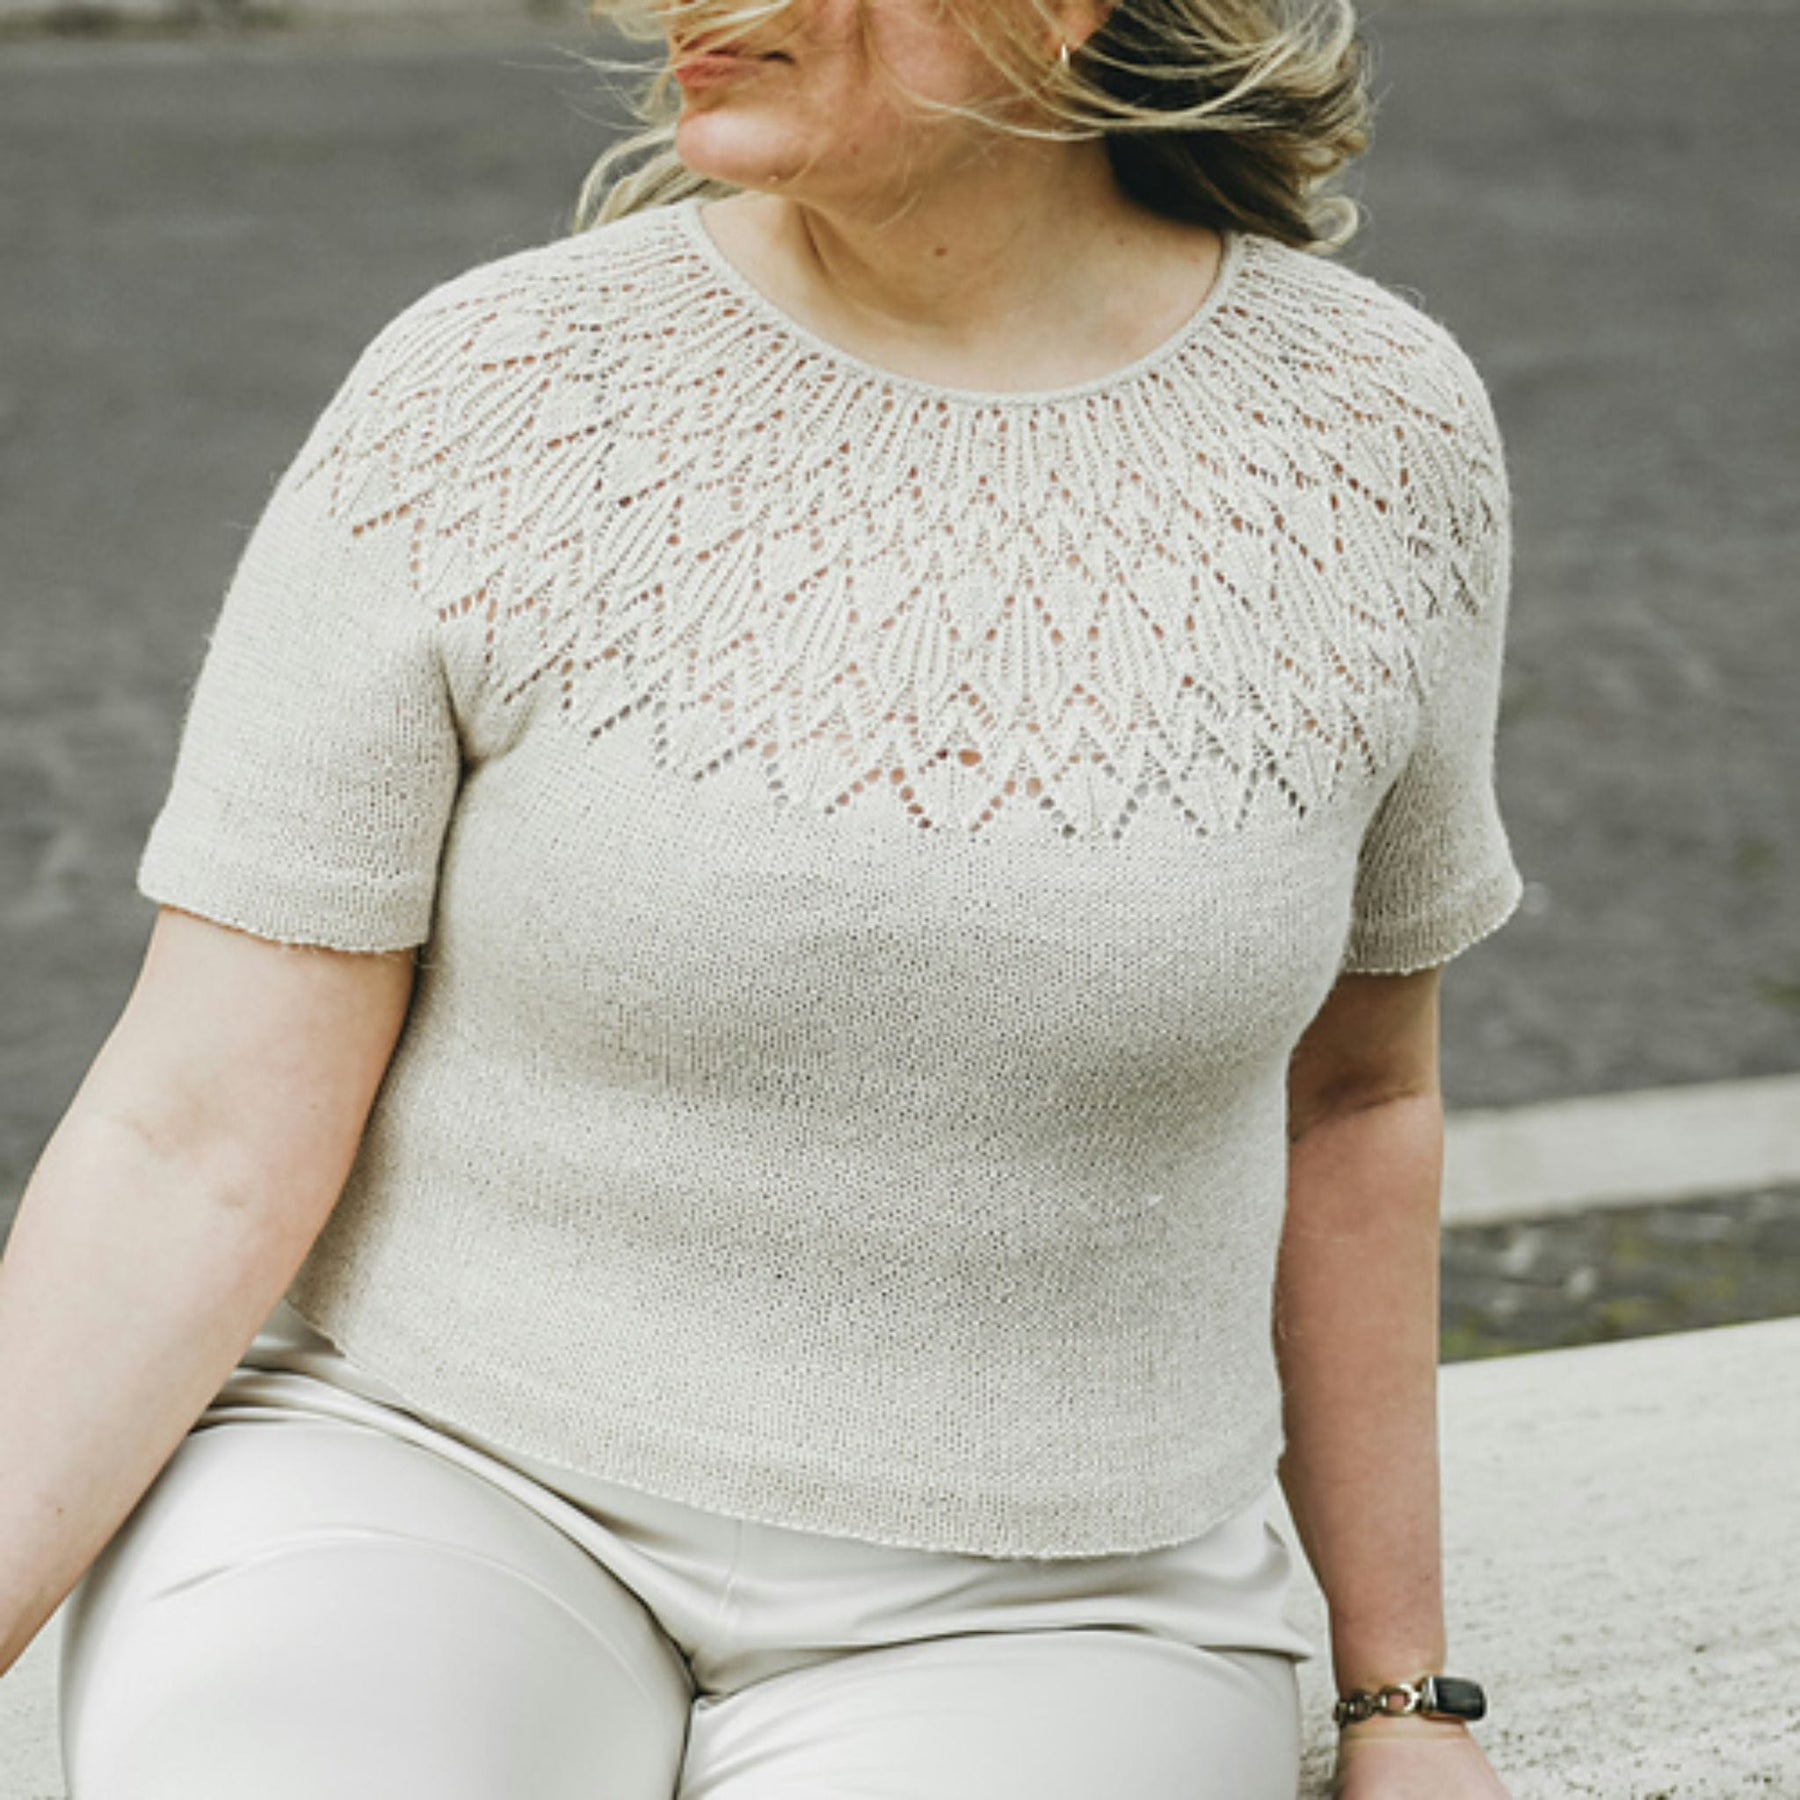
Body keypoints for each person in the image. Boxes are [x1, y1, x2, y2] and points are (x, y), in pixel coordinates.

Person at [0, 0, 1523, 1794]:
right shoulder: (491, 389)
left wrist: (1403, 1701)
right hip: (423, 1474)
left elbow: (1357, 1100)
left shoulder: (1373, 435)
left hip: (1066, 1599)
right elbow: (195, 1131)